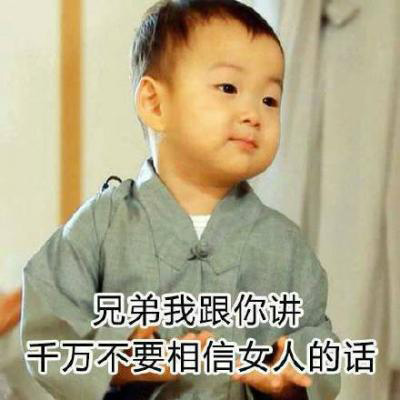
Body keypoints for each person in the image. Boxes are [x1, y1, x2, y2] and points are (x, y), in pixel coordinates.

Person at [21, 1, 341, 399]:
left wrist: (289, 379)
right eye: (229, 88)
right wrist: (119, 360)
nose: (253, 114)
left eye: (270, 100)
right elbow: (49, 324)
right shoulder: (102, 225)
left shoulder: (285, 242)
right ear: (155, 103)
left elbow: (316, 337)